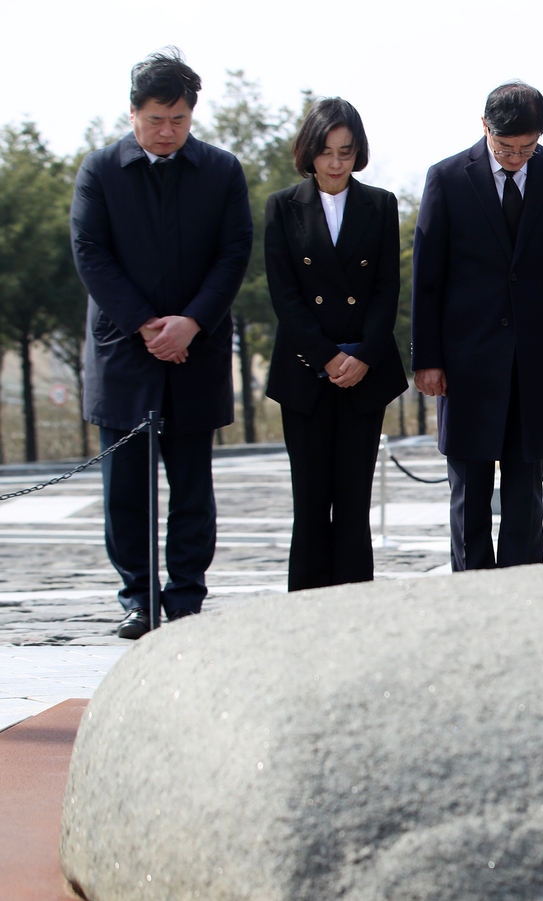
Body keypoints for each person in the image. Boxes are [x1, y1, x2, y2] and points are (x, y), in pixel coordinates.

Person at [70, 49, 252, 639]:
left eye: (177, 119)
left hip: (196, 351)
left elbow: (233, 255)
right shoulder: (99, 172)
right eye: (155, 119)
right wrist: (148, 325)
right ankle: (138, 598)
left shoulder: (221, 171)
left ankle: (186, 595)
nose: (167, 131)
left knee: (192, 486)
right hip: (124, 353)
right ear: (132, 113)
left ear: (192, 114)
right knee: (125, 488)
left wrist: (191, 324)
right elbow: (90, 254)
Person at [412, 82, 543, 569]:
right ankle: (472, 596)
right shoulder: (447, 178)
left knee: (525, 496)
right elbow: (427, 277)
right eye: (506, 147)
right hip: (466, 362)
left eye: (527, 148)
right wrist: (426, 360)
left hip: (536, 361)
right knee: (468, 495)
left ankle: (521, 595)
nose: (516, 157)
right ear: (484, 127)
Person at [264, 98, 407, 590]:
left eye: (345, 151)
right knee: (309, 500)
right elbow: (284, 293)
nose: (336, 162)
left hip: (364, 374)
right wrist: (327, 355)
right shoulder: (282, 206)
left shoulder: (381, 204)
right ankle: (304, 610)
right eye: (326, 151)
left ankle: (355, 608)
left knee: (353, 501)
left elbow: (388, 288)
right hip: (305, 373)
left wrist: (363, 354)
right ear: (309, 151)